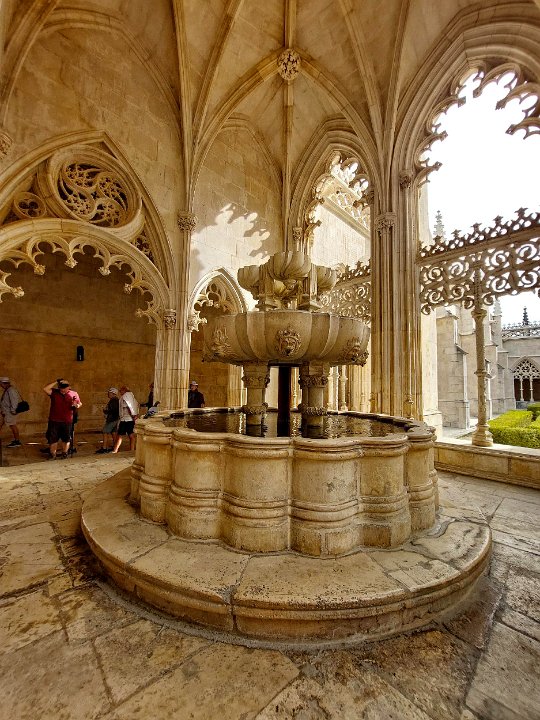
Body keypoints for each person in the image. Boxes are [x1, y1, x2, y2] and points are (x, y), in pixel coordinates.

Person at [43, 379, 82, 459]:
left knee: (66, 439)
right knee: (53, 439)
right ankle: (53, 455)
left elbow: (79, 403)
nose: (63, 390)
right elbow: (45, 389)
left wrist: (77, 406)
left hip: (67, 421)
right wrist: (56, 381)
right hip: (54, 420)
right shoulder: (54, 392)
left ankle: (65, 453)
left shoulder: (74, 393)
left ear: (69, 387)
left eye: (65, 388)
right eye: (61, 388)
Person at [111, 385, 139, 453]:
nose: (120, 392)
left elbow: (129, 407)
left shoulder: (126, 396)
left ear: (124, 390)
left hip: (126, 419)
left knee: (121, 435)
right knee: (130, 435)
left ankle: (116, 450)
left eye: (121, 390)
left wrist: (133, 416)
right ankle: (131, 450)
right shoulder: (130, 396)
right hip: (127, 419)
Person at [0, 377, 22, 447]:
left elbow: (14, 402)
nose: (0, 385)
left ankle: (17, 441)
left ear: (4, 383)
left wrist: (13, 411)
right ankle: (17, 440)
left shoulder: (11, 390)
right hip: (6, 412)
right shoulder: (8, 390)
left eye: (1, 384)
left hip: (10, 412)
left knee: (13, 425)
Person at [96, 388, 120, 454]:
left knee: (105, 432)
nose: (108, 394)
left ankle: (104, 448)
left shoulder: (114, 400)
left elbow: (113, 410)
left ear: (113, 394)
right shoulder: (115, 400)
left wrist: (105, 411)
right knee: (113, 432)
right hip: (115, 418)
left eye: (109, 393)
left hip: (112, 419)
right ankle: (115, 446)